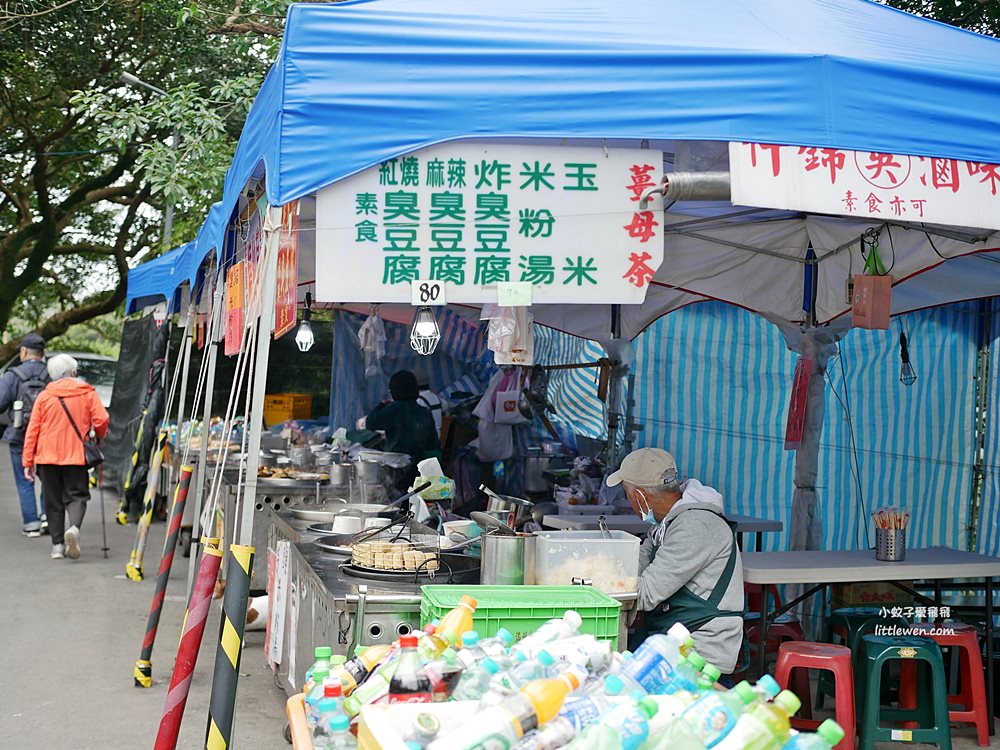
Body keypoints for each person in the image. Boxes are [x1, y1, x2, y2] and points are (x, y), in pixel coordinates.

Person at [607, 447, 744, 675]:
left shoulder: (695, 527)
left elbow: (646, 593)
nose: (627, 499)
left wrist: (595, 586)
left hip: (700, 655)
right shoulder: (666, 523)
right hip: (672, 636)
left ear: (640, 495)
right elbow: (636, 563)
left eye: (626, 492)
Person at [22, 354, 109, 560]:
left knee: (53, 501)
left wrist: (27, 461)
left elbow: (32, 430)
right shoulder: (87, 393)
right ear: (73, 372)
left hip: (47, 457)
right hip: (76, 455)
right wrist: (97, 435)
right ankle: (74, 528)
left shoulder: (45, 396)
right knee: (77, 495)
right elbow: (102, 419)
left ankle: (57, 546)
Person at [0, 333, 50, 536]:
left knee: (24, 479)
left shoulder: (13, 375)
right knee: (48, 478)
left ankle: (31, 524)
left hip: (20, 434)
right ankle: (47, 516)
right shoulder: (52, 374)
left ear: (23, 351)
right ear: (42, 353)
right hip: (47, 436)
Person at [364, 370, 442, 463]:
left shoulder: (394, 409)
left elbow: (370, 423)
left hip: (396, 463)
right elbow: (433, 444)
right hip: (419, 463)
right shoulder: (424, 412)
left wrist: (381, 405)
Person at [414, 369, 443, 435]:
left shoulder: (418, 400)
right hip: (436, 435)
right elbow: (445, 405)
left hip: (424, 438)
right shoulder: (436, 397)